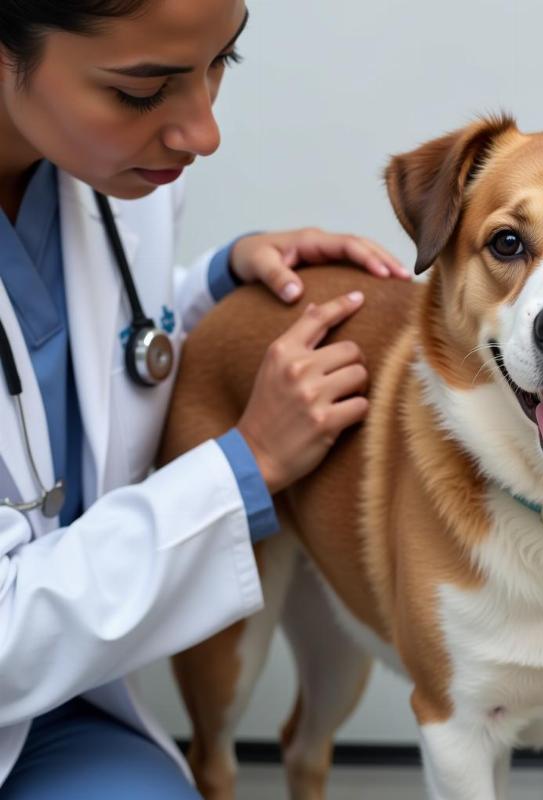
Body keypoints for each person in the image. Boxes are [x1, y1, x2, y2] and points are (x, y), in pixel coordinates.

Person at [0, 1, 409, 796]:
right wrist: (246, 464)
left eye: (225, 60)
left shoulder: (110, 179)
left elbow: (74, 342)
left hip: (63, 704)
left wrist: (218, 287)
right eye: (143, 91)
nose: (203, 131)